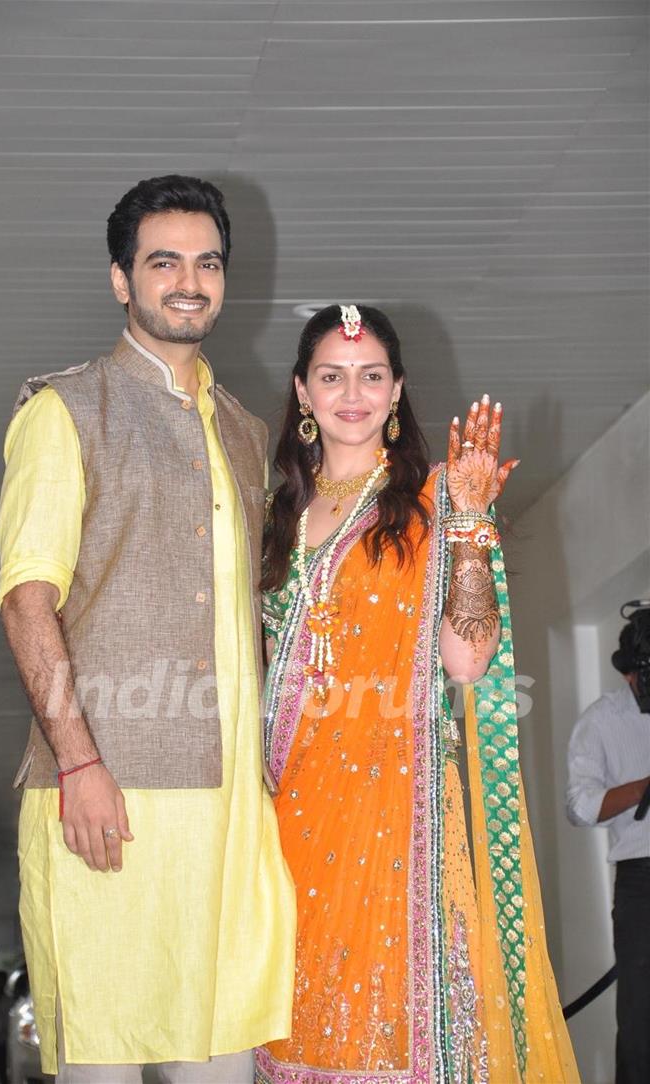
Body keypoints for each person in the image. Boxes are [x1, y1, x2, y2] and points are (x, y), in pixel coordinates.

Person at [0, 174, 295, 1083]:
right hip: (106, 805)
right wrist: (80, 763)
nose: (189, 282)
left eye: (208, 263)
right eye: (164, 262)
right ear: (122, 280)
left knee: (225, 1065)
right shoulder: (65, 411)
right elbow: (25, 602)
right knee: (103, 1065)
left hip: (230, 823)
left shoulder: (249, 433)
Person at [256, 304, 579, 1083]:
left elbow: (466, 664)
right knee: (293, 1020)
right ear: (303, 393)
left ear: (397, 390)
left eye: (371, 376)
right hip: (285, 805)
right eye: (332, 376)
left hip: (397, 807)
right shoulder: (274, 515)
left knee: (400, 1019)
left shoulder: (434, 500)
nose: (352, 393)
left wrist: (469, 526)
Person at [566, 605, 650, 1084]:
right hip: (643, 880)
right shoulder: (601, 720)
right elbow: (579, 806)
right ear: (630, 672)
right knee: (641, 1018)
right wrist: (641, 787)